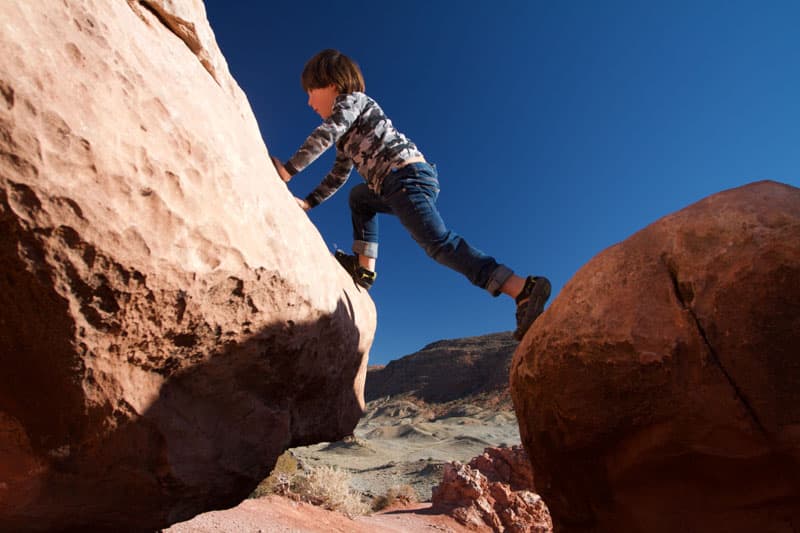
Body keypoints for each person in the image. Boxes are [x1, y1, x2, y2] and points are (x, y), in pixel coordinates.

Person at [272, 49, 550, 340]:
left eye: (310, 91)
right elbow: (338, 175)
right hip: (397, 182)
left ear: (331, 83)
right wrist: (309, 201)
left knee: (439, 244)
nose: (308, 101)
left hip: (405, 176)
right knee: (359, 197)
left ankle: (521, 287)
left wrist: (289, 170)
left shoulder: (352, 102)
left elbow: (326, 133)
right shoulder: (345, 135)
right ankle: (364, 269)